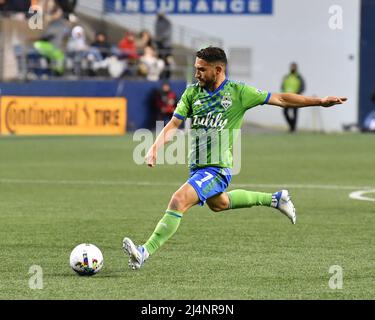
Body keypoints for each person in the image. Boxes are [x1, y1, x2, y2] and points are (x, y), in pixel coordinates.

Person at [123, 47, 347, 270]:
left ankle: (144, 252)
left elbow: (280, 98)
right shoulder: (192, 93)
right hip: (197, 167)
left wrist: (319, 101)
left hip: (218, 169)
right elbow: (174, 124)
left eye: (202, 70)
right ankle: (276, 199)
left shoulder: (239, 93)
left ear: (218, 69)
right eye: (196, 69)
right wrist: (154, 148)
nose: (197, 74)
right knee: (218, 204)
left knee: (178, 200)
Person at [281, 62, 305, 132]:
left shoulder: (299, 77)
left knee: (295, 113)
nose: (292, 68)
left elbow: (302, 87)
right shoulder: (286, 76)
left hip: (295, 98)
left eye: (294, 67)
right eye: (292, 67)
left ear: (296, 68)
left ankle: (293, 129)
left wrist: (297, 94)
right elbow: (282, 86)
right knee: (285, 112)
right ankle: (291, 126)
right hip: (287, 98)